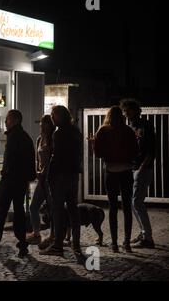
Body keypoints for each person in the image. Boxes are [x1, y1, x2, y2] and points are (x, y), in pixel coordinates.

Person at [0, 110, 36, 258]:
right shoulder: (25, 137)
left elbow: (11, 160)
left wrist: (5, 174)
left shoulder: (14, 137)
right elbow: (29, 160)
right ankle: (22, 244)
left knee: (1, 212)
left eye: (8, 119)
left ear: (15, 120)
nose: (5, 122)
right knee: (19, 213)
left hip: (10, 181)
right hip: (20, 181)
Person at [93, 106, 138, 253]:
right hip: (126, 171)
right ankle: (127, 242)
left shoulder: (103, 130)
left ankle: (114, 243)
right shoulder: (129, 131)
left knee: (112, 208)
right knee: (127, 208)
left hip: (111, 171)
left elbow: (98, 153)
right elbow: (135, 151)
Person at [40, 106, 83, 258]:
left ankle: (58, 245)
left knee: (58, 211)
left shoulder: (58, 133)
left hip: (60, 176)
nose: (51, 117)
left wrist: (49, 175)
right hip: (73, 175)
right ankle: (76, 244)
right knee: (73, 210)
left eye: (53, 114)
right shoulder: (76, 131)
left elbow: (56, 157)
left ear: (59, 116)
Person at [120, 99, 156, 249]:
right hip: (133, 168)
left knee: (136, 202)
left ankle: (147, 238)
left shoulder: (145, 125)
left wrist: (142, 167)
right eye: (124, 111)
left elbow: (151, 149)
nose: (126, 113)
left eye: (128, 110)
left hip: (142, 169)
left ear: (136, 110)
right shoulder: (130, 126)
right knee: (132, 203)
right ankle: (144, 233)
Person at [27, 115, 55, 246]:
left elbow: (52, 159)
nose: (42, 126)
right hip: (41, 178)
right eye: (41, 124)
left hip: (50, 178)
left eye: (45, 124)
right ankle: (36, 233)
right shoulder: (39, 139)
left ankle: (54, 235)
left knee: (52, 208)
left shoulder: (53, 139)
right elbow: (37, 159)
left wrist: (45, 172)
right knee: (34, 207)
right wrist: (36, 172)